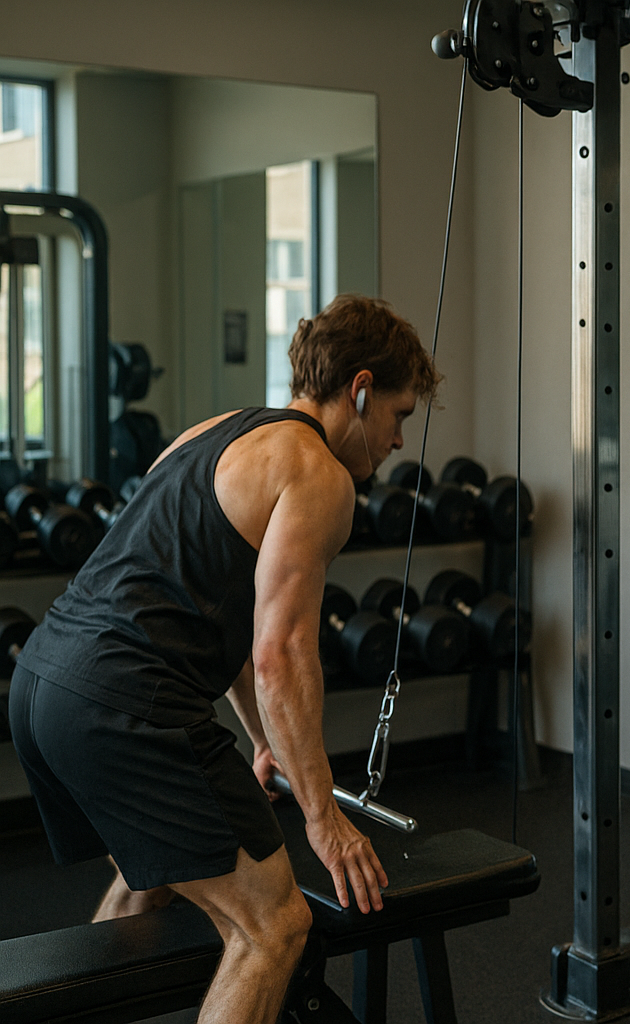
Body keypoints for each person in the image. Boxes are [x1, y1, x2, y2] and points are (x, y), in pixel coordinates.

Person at [9, 294, 441, 1024]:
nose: (400, 440)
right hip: (124, 702)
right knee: (273, 928)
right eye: (400, 415)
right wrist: (322, 816)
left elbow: (227, 631)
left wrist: (267, 741)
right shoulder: (318, 475)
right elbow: (280, 655)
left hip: (42, 683)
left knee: (156, 880)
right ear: (360, 390)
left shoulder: (211, 433)